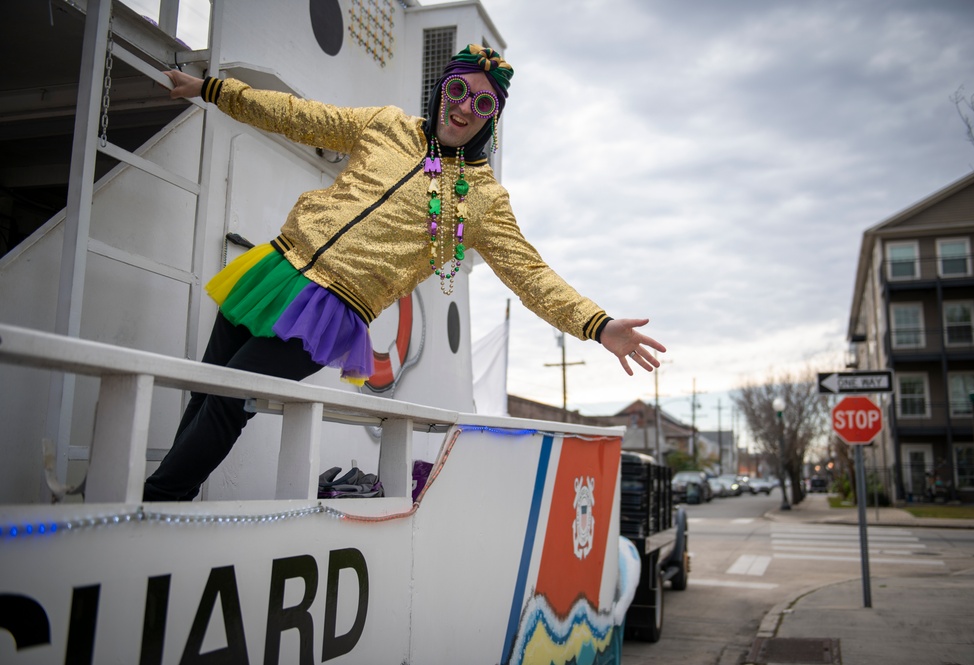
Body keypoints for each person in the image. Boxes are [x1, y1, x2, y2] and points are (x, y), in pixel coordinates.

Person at [144, 44, 666, 502]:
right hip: (276, 268)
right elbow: (300, 116)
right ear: (443, 87)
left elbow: (531, 275)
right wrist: (213, 89)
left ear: (491, 120)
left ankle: (157, 502)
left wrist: (597, 324)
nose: (466, 107)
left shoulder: (483, 200)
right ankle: (169, 501)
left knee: (230, 400)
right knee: (205, 389)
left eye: (484, 104)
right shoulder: (387, 126)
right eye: (460, 90)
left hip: (331, 309)